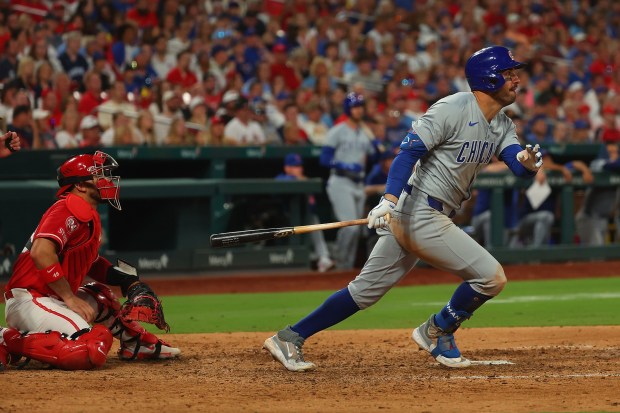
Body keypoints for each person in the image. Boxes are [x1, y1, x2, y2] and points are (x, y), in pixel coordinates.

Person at [263, 46, 543, 371]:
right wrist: (389, 199)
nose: (516, 79)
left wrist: (528, 164)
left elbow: (516, 165)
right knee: (490, 277)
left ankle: (290, 336)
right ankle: (436, 330)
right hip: (420, 213)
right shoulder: (452, 108)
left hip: (424, 215)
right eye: (509, 73)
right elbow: (407, 153)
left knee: (364, 292)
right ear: (489, 77)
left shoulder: (502, 124)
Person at [0, 151, 180, 370]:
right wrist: (69, 297)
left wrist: (127, 281)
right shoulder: (67, 207)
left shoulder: (87, 213)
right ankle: (7, 339)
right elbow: (41, 252)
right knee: (88, 349)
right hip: (30, 299)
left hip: (50, 297)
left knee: (102, 296)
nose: (107, 180)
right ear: (81, 186)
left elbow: (91, 263)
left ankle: (136, 344)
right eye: (99, 175)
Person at [320, 92, 377, 270]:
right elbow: (324, 159)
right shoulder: (337, 130)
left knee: (358, 230)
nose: (358, 110)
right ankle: (339, 263)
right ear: (348, 109)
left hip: (358, 184)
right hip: (341, 182)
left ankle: (347, 268)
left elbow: (377, 156)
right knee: (350, 228)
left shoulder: (365, 133)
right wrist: (343, 165)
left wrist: (376, 144)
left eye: (360, 106)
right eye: (355, 107)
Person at [276, 153, 334, 273]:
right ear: (287, 168)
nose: (300, 169)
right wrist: (295, 179)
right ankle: (321, 257)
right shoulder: (282, 178)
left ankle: (322, 257)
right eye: (295, 166)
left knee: (312, 218)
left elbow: (312, 206)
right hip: (283, 220)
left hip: (302, 220)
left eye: (300, 166)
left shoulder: (306, 182)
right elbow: (280, 181)